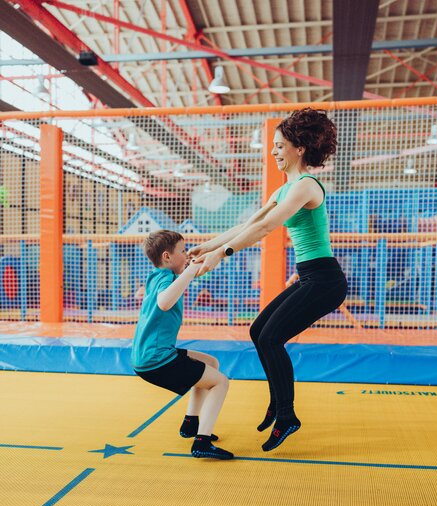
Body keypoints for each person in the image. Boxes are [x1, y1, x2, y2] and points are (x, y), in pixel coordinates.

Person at [189, 108, 348, 452]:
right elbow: (248, 224)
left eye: (279, 146)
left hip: (325, 280)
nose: (273, 152)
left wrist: (223, 254)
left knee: (272, 338)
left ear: (299, 149)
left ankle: (287, 415)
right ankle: (278, 405)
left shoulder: (305, 186)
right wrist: (210, 244)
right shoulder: (283, 189)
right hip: (310, 276)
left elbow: (265, 228)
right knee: (259, 331)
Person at [131, 229, 234, 460]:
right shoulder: (165, 278)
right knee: (220, 383)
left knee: (210, 363)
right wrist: (189, 270)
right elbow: (165, 302)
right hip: (157, 360)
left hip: (149, 356)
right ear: (167, 257)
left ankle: (191, 424)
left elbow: (196, 271)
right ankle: (202, 442)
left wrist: (214, 253)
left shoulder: (160, 276)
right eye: (183, 251)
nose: (186, 255)